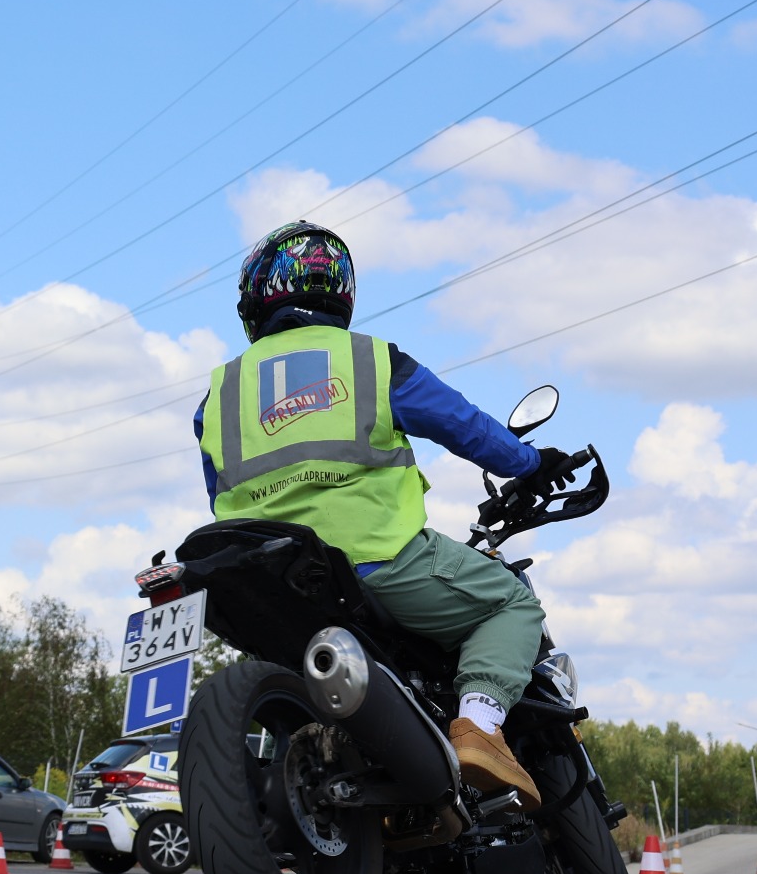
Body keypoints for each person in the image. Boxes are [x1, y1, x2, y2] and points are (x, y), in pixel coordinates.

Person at [193, 221, 576, 805]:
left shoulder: (216, 397)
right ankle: (479, 726)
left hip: (270, 580)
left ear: (256, 298)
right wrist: (529, 462)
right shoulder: (370, 361)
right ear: (340, 290)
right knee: (511, 603)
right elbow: (463, 424)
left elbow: (218, 498)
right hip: (378, 559)